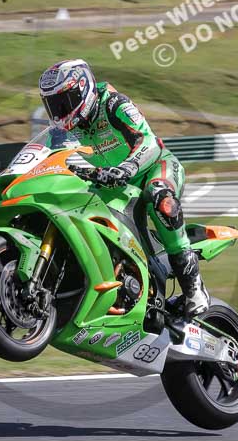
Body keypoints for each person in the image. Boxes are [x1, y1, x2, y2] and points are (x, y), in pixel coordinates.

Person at [39, 58, 210, 317]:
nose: (60, 111)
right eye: (53, 105)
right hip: (111, 183)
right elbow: (46, 156)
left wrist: (127, 168)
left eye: (64, 102)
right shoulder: (64, 132)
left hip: (154, 168)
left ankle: (193, 287)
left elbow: (149, 142)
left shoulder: (113, 104)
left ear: (83, 89)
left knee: (160, 197)